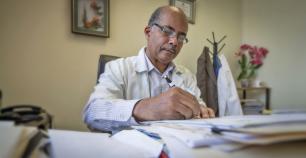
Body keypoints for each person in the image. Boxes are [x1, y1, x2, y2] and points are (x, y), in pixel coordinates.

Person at [83, 6, 216, 132]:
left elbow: (199, 106)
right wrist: (145, 108)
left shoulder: (186, 76)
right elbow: (92, 113)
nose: (174, 42)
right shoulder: (118, 68)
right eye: (167, 31)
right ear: (148, 32)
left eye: (181, 37)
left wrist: (202, 111)